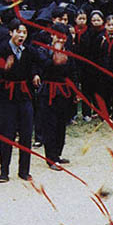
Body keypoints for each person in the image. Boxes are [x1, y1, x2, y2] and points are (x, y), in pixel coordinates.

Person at [0, 20, 41, 182]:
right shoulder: (2, 49)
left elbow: (36, 64)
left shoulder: (28, 50)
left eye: (24, 33)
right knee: (6, 134)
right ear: (11, 32)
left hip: (24, 95)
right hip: (7, 96)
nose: (21, 35)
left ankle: (24, 170)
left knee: (26, 133)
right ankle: (4, 171)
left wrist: (35, 74)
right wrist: (3, 68)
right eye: (18, 32)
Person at [39, 26, 79, 169]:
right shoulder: (43, 50)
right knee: (50, 124)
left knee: (61, 124)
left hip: (64, 92)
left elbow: (73, 73)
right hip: (48, 91)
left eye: (63, 37)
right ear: (52, 35)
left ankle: (57, 154)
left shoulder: (68, 53)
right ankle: (50, 158)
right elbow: (45, 68)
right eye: (58, 36)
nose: (60, 40)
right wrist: (55, 54)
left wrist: (75, 92)